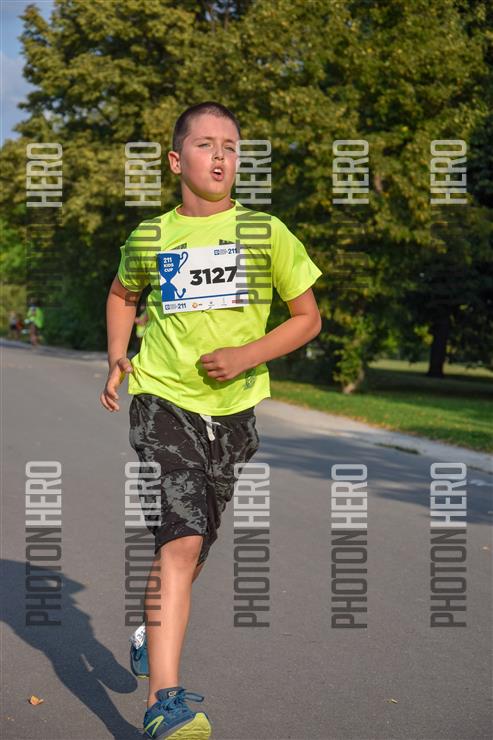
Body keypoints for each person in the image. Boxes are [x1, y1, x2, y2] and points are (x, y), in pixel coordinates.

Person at [99, 101, 323, 739]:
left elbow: (307, 317)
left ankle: (150, 631)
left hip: (233, 415)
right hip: (162, 400)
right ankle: (163, 703)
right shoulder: (151, 237)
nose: (221, 155)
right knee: (182, 539)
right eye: (205, 144)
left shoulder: (266, 233)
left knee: (196, 543)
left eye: (231, 145)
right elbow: (121, 293)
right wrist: (118, 356)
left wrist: (248, 354)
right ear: (177, 161)